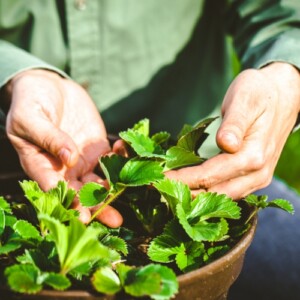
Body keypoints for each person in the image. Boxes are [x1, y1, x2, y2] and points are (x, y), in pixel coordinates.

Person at [0, 1, 300, 298]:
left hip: (209, 178)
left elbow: (279, 13)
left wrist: (286, 76)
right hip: (26, 163)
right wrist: (17, 76)